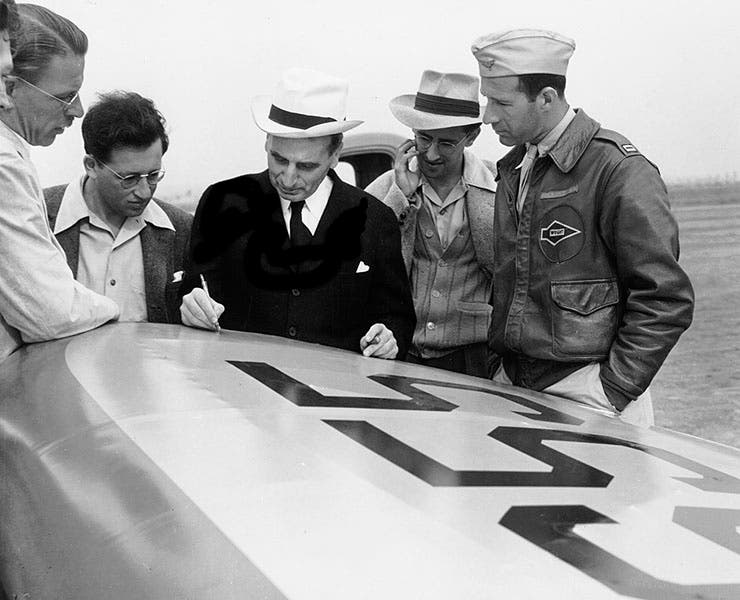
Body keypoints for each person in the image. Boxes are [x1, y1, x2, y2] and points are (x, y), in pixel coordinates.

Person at [470, 29, 694, 426]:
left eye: (501, 102)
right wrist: (498, 367)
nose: (487, 116)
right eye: (488, 99)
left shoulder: (618, 170)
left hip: (588, 392)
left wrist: (612, 389)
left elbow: (665, 297)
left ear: (546, 99)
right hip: (514, 385)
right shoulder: (512, 169)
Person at [180, 68, 415, 358]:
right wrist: (191, 306)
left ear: (335, 154)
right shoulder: (222, 203)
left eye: (306, 166)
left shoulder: (376, 220)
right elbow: (192, 288)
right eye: (279, 159)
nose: (288, 179)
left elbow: (399, 318)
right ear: (266, 141)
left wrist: (390, 338)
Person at [0, 4, 118, 363]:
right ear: (12, 86)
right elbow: (51, 312)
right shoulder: (4, 164)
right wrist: (114, 309)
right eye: (66, 95)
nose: (78, 110)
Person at [366, 70, 495, 377]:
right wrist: (402, 199)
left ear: (472, 136)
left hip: (473, 362)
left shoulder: (499, 189)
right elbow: (364, 264)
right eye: (423, 139)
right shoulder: (387, 188)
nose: (432, 154)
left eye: (447, 143)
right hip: (399, 353)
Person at [43, 91, 192, 323]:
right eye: (129, 179)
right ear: (91, 166)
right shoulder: (37, 215)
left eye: (153, 175)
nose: (144, 192)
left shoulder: (182, 229)